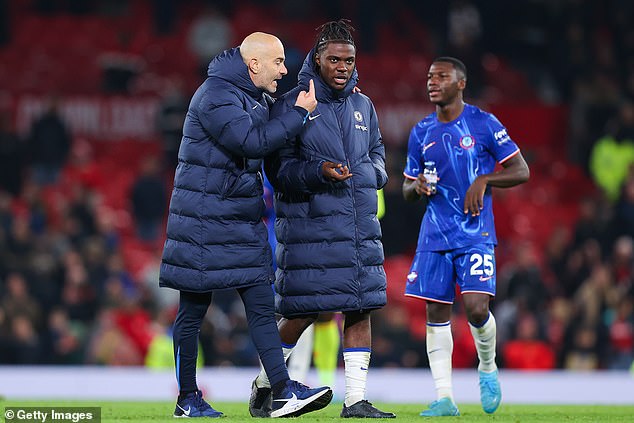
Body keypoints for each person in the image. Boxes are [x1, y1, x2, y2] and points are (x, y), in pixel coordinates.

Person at [158, 32, 333, 419]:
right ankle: (187, 398)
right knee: (192, 310)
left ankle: (282, 390)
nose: (284, 70)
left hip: (238, 218)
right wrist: (300, 113)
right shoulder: (215, 94)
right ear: (253, 64)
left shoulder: (250, 95)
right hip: (203, 222)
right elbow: (252, 141)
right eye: (278, 62)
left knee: (259, 304)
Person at [251, 20, 395, 419]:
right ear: (317, 59)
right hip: (310, 228)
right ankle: (267, 383)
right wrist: (319, 172)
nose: (343, 66)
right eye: (334, 59)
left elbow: (378, 150)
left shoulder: (364, 105)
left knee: (360, 308)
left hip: (359, 230)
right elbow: (278, 171)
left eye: (349, 60)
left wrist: (374, 174)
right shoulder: (294, 102)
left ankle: (356, 400)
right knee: (302, 311)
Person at [402, 57, 530, 416]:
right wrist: (418, 186)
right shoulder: (421, 131)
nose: (432, 82)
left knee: (476, 308)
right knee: (436, 310)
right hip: (435, 234)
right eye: (429, 77)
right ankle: (445, 397)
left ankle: (487, 367)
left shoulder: (483, 122)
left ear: (460, 83)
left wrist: (484, 179)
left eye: (441, 77)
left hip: (475, 232)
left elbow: (522, 170)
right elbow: (406, 188)